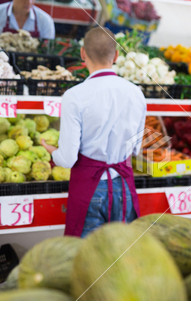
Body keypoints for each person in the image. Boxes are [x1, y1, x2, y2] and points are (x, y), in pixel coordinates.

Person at [41, 27, 146, 237]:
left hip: (89, 189)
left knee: (87, 259)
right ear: (116, 55)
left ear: (82, 54)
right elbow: (136, 148)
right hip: (123, 186)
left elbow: (68, 159)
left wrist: (52, 151)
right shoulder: (136, 93)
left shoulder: (74, 95)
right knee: (122, 255)